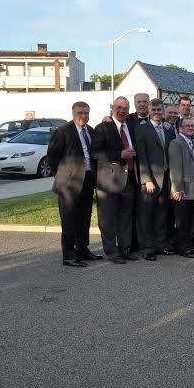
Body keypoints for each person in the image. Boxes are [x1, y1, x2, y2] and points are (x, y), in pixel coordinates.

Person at [47, 101, 99, 267]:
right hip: (68, 185)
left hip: (87, 181)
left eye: (86, 113)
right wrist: (62, 177)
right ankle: (69, 255)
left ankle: (82, 249)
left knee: (84, 218)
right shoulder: (62, 132)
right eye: (80, 113)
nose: (83, 116)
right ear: (73, 113)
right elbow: (52, 158)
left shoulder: (90, 131)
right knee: (69, 220)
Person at [91, 97, 139, 264]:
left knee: (126, 217)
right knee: (108, 219)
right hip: (109, 180)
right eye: (119, 107)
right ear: (112, 108)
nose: (122, 111)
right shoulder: (103, 127)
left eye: (125, 108)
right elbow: (95, 152)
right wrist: (119, 155)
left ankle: (125, 250)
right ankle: (112, 252)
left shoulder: (132, 126)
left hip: (129, 179)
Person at [135, 98, 175, 261]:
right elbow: (142, 156)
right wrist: (147, 180)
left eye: (159, 110)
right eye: (154, 110)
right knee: (147, 215)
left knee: (161, 213)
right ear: (149, 111)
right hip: (150, 180)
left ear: (163, 111)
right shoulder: (141, 129)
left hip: (165, 177)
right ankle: (147, 248)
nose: (157, 112)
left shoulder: (168, 130)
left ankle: (160, 245)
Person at [169, 118, 194, 258]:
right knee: (182, 221)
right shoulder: (176, 143)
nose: (191, 128)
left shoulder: (191, 142)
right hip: (183, 190)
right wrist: (177, 188)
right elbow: (175, 167)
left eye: (192, 126)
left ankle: (187, 244)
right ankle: (183, 248)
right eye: (187, 125)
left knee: (189, 220)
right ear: (180, 128)